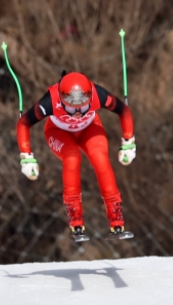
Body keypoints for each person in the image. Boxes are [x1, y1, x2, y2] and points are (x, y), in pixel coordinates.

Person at [16, 71, 136, 240]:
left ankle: (116, 220)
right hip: (58, 132)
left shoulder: (98, 95)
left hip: (89, 128)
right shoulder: (50, 101)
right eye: (72, 108)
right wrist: (26, 156)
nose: (78, 112)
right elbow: (24, 123)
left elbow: (123, 111)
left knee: (100, 159)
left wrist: (128, 141)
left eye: (84, 106)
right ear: (62, 99)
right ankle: (75, 220)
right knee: (72, 159)